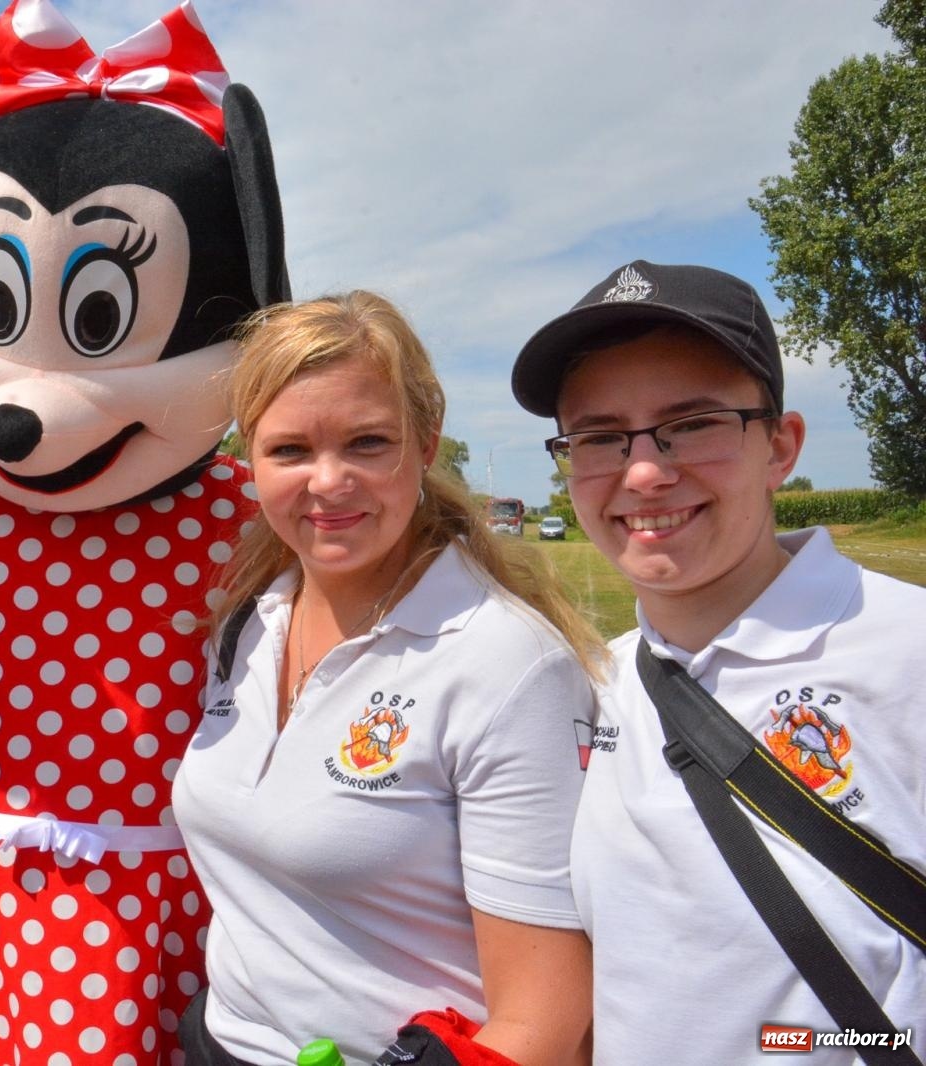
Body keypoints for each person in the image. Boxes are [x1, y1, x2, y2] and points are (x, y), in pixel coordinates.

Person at [172, 291, 604, 1066]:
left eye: (368, 443)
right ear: (250, 461)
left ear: (426, 445)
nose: (328, 481)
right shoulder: (248, 619)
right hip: (221, 1044)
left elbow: (546, 1017)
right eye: (290, 450)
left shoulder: (506, 664)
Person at [511, 260, 926, 1063]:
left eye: (693, 423)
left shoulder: (908, 651)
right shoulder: (596, 684)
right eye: (600, 437)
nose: (643, 472)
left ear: (782, 446)